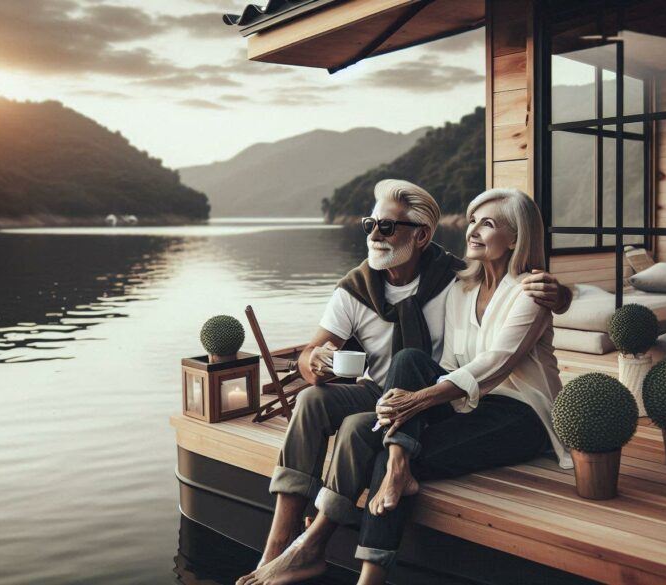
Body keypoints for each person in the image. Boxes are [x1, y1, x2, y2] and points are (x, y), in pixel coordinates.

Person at [237, 181, 571, 585]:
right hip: (431, 397)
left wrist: (563, 295)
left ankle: (327, 545)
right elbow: (313, 355)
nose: (375, 235)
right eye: (370, 224)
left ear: (422, 235)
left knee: (369, 431)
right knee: (316, 399)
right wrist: (316, 362)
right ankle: (281, 542)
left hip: (498, 405)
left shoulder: (457, 278)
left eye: (388, 227)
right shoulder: (438, 289)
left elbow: (500, 359)